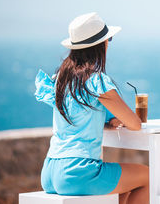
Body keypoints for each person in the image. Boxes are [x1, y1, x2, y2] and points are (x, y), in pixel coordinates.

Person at [35, 12, 149, 204]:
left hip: (50, 171)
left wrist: (108, 120)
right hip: (79, 171)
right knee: (147, 176)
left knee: (123, 184)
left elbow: (79, 113)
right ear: (100, 45)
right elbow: (135, 124)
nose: (108, 43)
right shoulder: (96, 82)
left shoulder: (61, 80)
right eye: (108, 39)